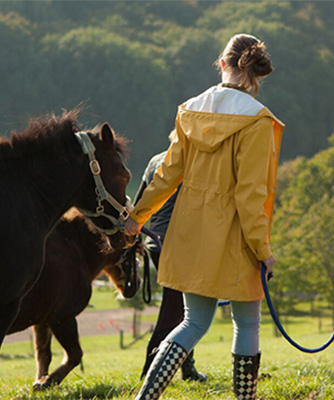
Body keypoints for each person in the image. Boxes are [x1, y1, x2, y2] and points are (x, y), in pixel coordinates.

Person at [124, 33, 284, 400]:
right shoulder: (258, 122)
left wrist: (137, 216)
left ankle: (144, 398)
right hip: (236, 240)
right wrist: (262, 250)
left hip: (190, 234)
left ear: (222, 64)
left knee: (192, 322)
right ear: (257, 75)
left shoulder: (191, 110)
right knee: (246, 323)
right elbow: (250, 196)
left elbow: (166, 172)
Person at [134, 149, 207, 383]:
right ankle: (149, 373)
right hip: (178, 243)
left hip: (154, 242)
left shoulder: (155, 160)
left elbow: (139, 202)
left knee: (184, 310)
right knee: (175, 312)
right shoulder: (194, 161)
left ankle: (187, 369)